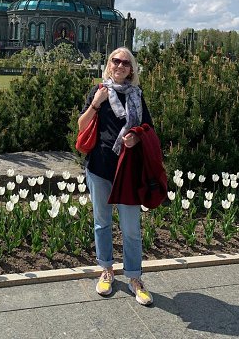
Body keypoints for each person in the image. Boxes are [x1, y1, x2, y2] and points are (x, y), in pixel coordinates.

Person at [78, 47, 154, 306]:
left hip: (128, 171)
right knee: (102, 223)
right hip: (99, 168)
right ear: (109, 64)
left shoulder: (137, 96)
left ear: (131, 69)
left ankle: (134, 277)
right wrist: (96, 103)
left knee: (131, 229)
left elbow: (149, 129)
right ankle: (106, 269)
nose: (120, 65)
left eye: (125, 62)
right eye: (115, 61)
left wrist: (136, 138)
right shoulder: (98, 91)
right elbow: (81, 125)